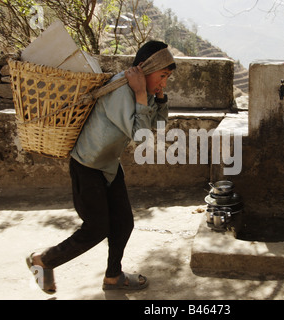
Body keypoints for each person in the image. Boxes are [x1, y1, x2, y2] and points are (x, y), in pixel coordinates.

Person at [26, 40, 176, 294]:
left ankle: (113, 276)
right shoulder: (121, 91)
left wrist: (158, 97)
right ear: (142, 68)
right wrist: (142, 94)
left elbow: (158, 126)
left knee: (124, 222)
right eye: (162, 76)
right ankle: (42, 261)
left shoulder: (144, 94)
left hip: (108, 166)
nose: (163, 83)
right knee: (96, 228)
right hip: (87, 166)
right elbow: (141, 136)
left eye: (167, 78)